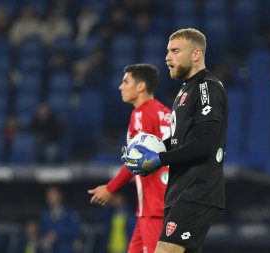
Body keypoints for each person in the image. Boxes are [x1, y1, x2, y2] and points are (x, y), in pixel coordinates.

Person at [123, 28, 229, 253]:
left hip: (198, 189)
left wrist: (159, 158)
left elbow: (203, 144)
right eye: (167, 51)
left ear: (196, 55)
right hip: (179, 191)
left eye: (175, 51)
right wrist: (147, 152)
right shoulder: (184, 92)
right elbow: (181, 141)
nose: (167, 57)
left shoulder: (206, 87)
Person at [88, 63, 171, 253]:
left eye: (126, 81)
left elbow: (137, 160)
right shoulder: (166, 113)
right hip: (161, 203)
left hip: (155, 208)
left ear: (140, 86)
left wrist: (110, 188)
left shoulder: (141, 113)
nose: (120, 87)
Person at [39, 186, 81, 253]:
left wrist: (57, 234)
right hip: (52, 250)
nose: (51, 197)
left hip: (67, 248)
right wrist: (46, 239)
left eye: (53, 194)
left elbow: (76, 229)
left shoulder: (69, 211)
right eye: (49, 195)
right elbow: (42, 232)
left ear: (59, 195)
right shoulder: (45, 214)